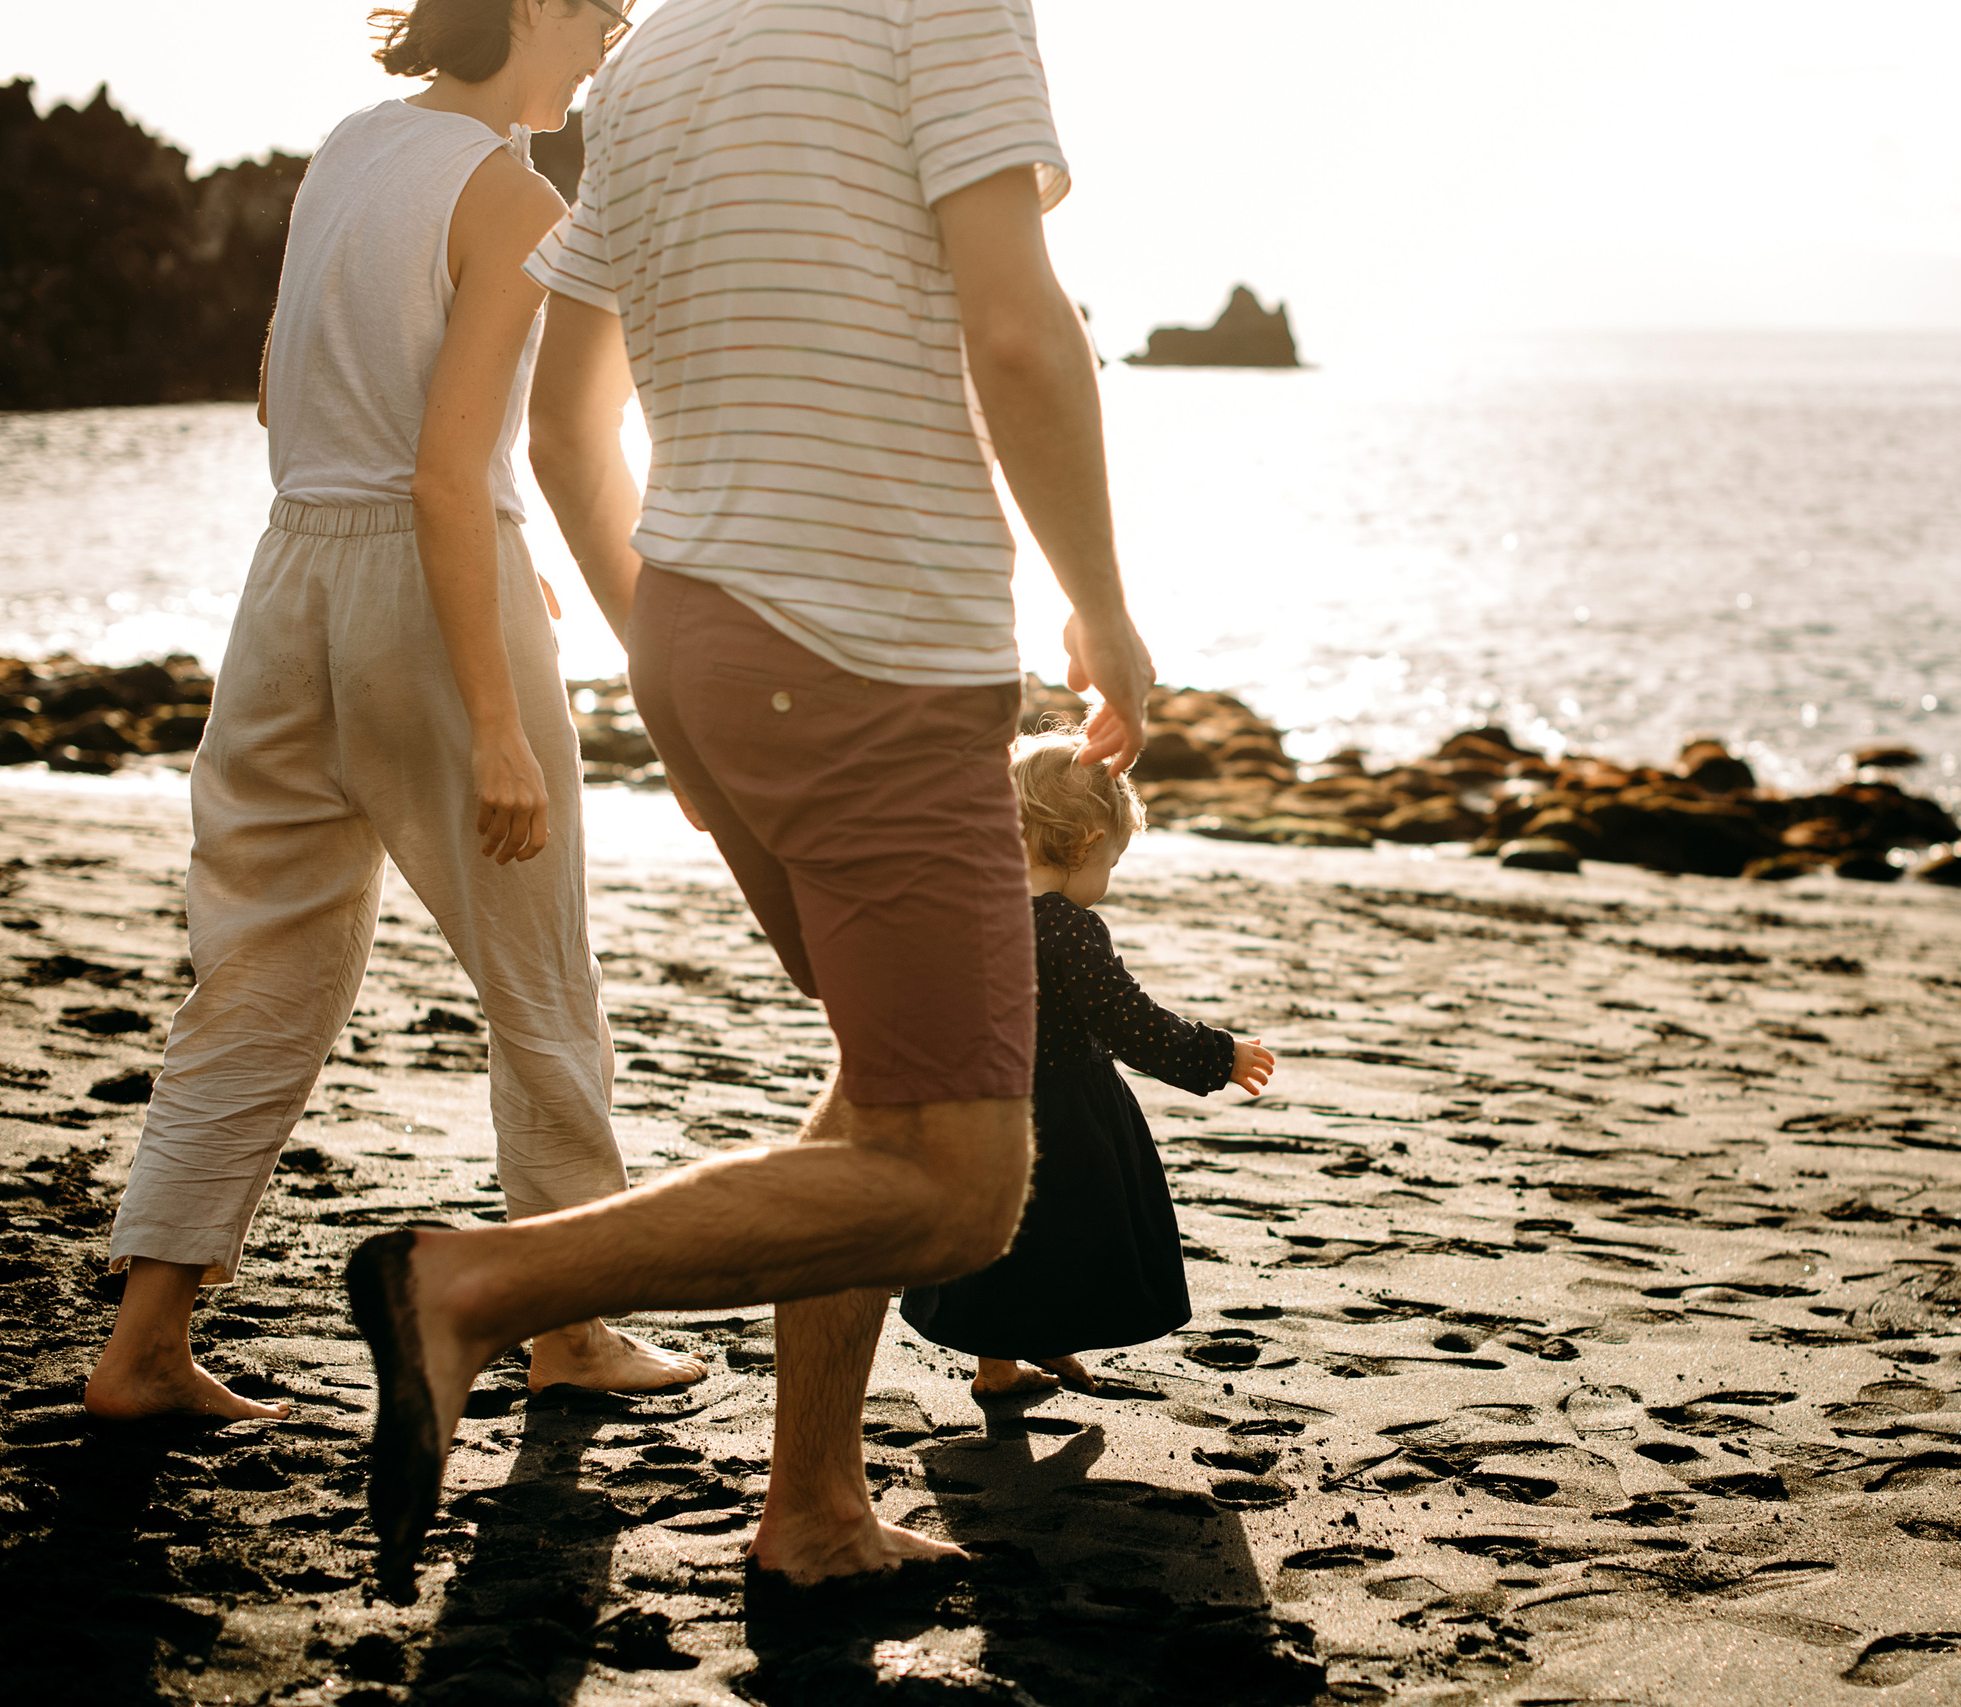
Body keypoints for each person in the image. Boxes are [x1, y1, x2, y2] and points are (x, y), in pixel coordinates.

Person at [341, 0, 1159, 1599]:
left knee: (887, 1082)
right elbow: (1018, 326)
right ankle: (466, 1284)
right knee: (961, 1189)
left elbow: (571, 429)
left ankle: (813, 1504)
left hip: (703, 643)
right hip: (874, 655)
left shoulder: (658, 54)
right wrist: (1103, 606)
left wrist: (678, 644)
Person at [85, 0, 703, 1424]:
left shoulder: (350, 149)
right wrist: (491, 717)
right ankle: (571, 1327)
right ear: (533, 4)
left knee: (255, 970)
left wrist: (478, 532)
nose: (611, 34)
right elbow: (442, 471)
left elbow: (273, 390)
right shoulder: (514, 193)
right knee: (538, 974)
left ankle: (144, 1346)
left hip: (288, 576)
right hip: (427, 594)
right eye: (601, 8)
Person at [899, 733, 1273, 1398]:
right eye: (1112, 860)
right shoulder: (1070, 928)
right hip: (1064, 1114)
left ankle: (1000, 1363)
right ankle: (1030, 1342)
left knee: (996, 1234)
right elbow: (1132, 1023)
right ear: (1081, 844)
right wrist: (1219, 1055)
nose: (1108, 877)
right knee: (1065, 1235)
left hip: (978, 1104)